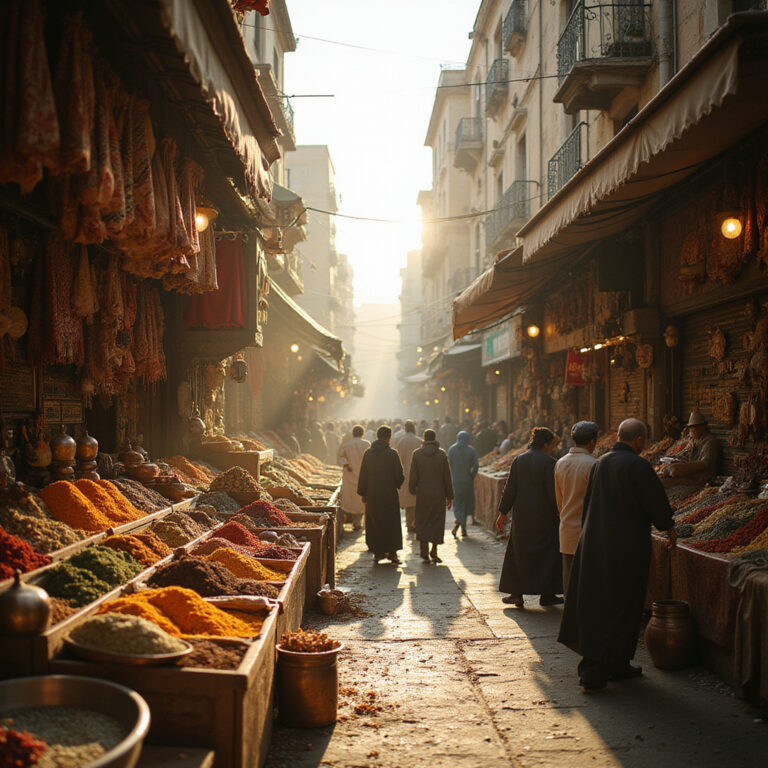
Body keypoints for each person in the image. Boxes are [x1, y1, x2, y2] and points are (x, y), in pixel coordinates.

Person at [558, 418, 677, 692]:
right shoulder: (638, 466)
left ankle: (619, 663)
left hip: (596, 544)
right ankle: (595, 671)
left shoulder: (601, 463)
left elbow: (588, 506)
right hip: (626, 549)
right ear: (638, 440)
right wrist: (669, 527)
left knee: (602, 604)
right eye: (644, 439)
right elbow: (656, 505)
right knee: (622, 606)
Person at [495, 427, 563, 608]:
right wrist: (560, 512)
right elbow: (553, 493)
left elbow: (510, 489)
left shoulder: (519, 460)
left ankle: (516, 594)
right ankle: (547, 595)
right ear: (546, 444)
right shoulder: (550, 462)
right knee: (547, 555)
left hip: (522, 515)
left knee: (519, 553)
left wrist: (502, 513)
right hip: (545, 517)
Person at [554, 421, 598, 597]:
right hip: (588, 532)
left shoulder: (560, 463)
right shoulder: (593, 464)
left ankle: (569, 620)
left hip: (566, 530)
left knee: (569, 582)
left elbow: (559, 501)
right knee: (587, 582)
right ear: (592, 442)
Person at [357, 425, 405, 564]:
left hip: (372, 494)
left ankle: (378, 552)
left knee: (375, 521)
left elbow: (363, 475)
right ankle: (392, 553)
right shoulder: (392, 454)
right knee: (391, 522)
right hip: (389, 494)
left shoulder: (368, 454)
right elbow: (399, 475)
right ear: (388, 437)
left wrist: (363, 492)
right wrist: (396, 483)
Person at [409, 429, 453, 563]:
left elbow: (413, 475)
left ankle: (423, 550)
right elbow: (447, 477)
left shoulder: (417, 454)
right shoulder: (441, 455)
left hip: (423, 493)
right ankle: (434, 550)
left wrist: (412, 489)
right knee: (436, 521)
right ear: (434, 439)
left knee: (422, 520)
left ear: (424, 438)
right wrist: (449, 496)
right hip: (438, 493)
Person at [662, 409, 719, 485]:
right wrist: (680, 463)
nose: (691, 430)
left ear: (703, 426)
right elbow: (688, 459)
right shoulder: (695, 440)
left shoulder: (710, 441)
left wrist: (681, 468)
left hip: (702, 478)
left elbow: (705, 463)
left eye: (694, 427)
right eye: (690, 427)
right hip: (691, 475)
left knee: (671, 476)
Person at [338, 425, 370, 530]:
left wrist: (346, 464)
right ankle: (358, 523)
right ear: (362, 433)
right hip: (364, 475)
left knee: (351, 499)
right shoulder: (367, 444)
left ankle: (354, 522)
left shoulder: (347, 445)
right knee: (361, 500)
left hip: (350, 475)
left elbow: (340, 458)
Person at [447, 430, 479, 538]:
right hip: (467, 482)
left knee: (457, 503)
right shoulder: (471, 450)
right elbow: (476, 466)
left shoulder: (451, 450)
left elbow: (449, 465)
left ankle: (459, 520)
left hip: (456, 481)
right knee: (466, 503)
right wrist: (471, 476)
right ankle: (463, 528)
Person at [395, 420, 421, 533]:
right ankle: (415, 522)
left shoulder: (401, 441)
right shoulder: (419, 441)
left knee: (408, 500)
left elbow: (399, 458)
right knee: (416, 499)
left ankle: (409, 523)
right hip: (418, 473)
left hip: (405, 471)